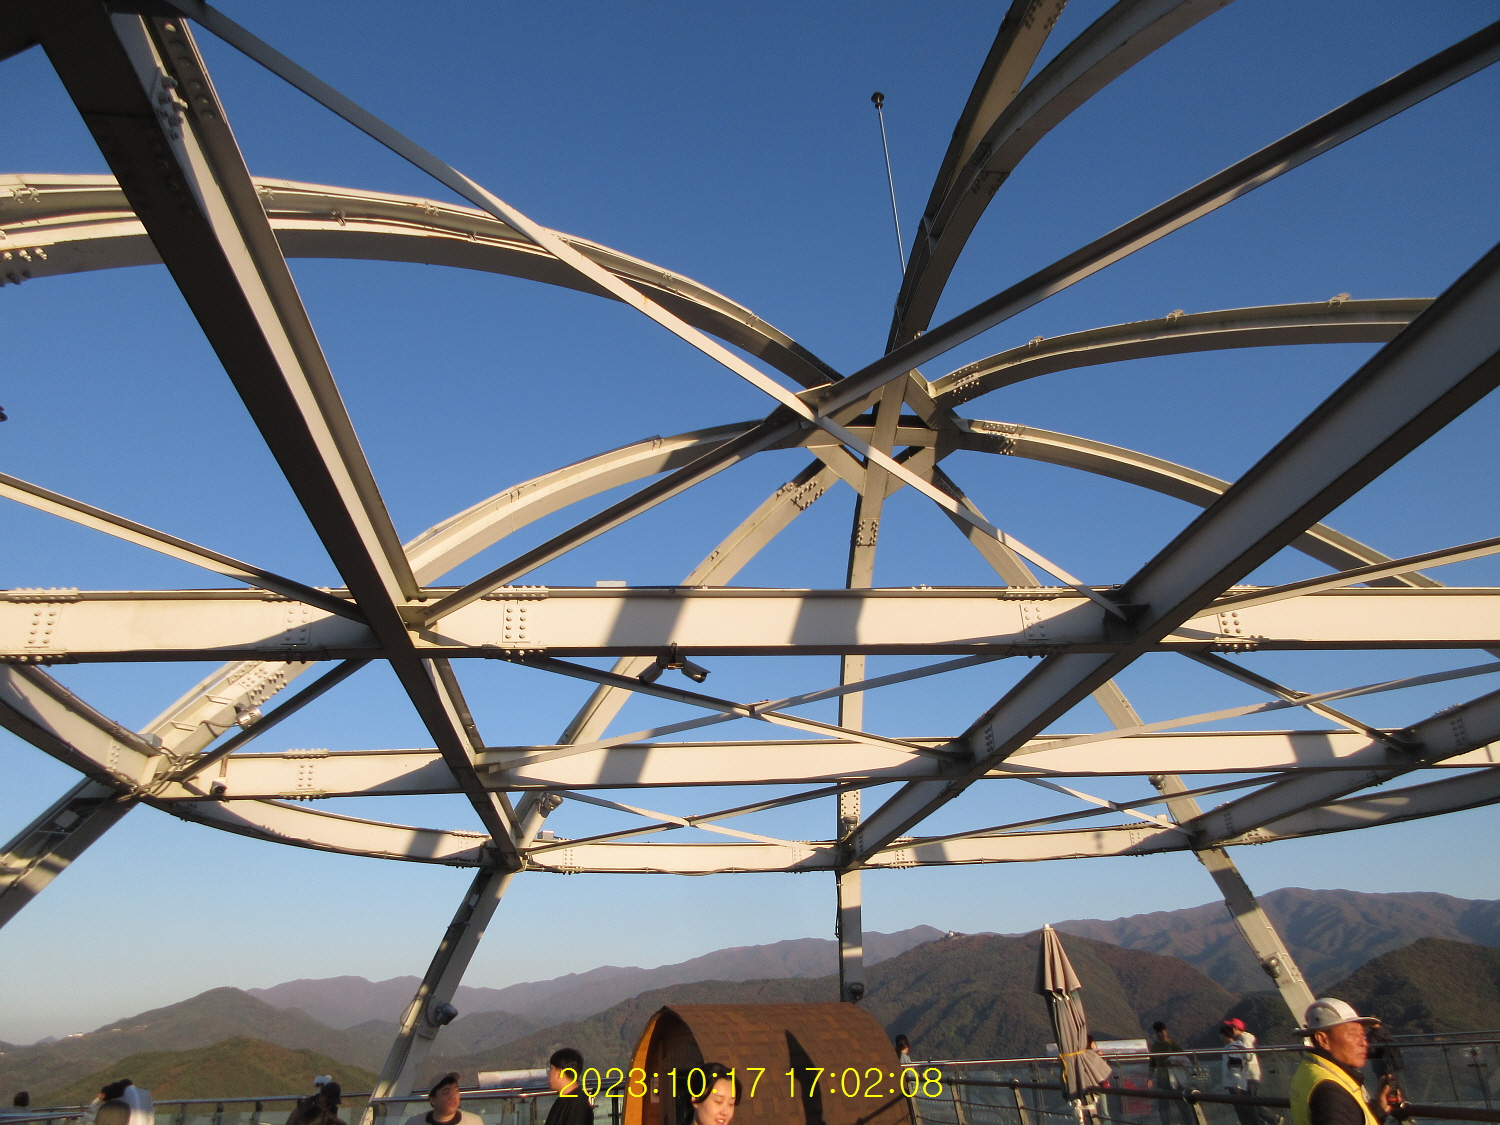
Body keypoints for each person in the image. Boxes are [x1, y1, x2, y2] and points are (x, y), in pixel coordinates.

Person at [1290, 999, 1401, 1125]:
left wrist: (1378, 1111)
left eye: (1362, 1034)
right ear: (1323, 1040)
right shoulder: (1331, 1091)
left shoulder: (1311, 1070)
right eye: (1352, 1034)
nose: (1364, 1043)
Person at [1221, 1020, 1279, 1125]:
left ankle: (1272, 1119)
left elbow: (1248, 1055)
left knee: (1250, 1104)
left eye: (1230, 1027)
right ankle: (1272, 1119)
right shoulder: (1243, 1039)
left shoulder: (1244, 1038)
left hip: (1249, 1075)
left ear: (1235, 1028)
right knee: (1250, 1103)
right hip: (1248, 1075)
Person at [1148, 1022, 1192, 1125]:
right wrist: (1149, 1077)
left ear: (1166, 1031)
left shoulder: (1172, 1045)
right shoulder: (1154, 1046)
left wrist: (1173, 1062)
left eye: (1161, 1032)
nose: (1159, 1034)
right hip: (1161, 1079)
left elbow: (1184, 1059)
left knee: (1182, 1105)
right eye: (1157, 1032)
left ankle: (1189, 1123)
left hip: (1175, 1079)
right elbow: (1152, 1062)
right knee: (1163, 1107)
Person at [404, 1074, 481, 1125]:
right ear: (433, 1100)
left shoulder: (473, 1122)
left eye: (456, 1090)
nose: (453, 1096)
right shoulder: (414, 1122)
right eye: (446, 1092)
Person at [542, 1051, 593, 1125]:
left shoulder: (577, 1106)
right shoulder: (565, 1099)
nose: (549, 1073)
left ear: (561, 1072)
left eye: (551, 1069)